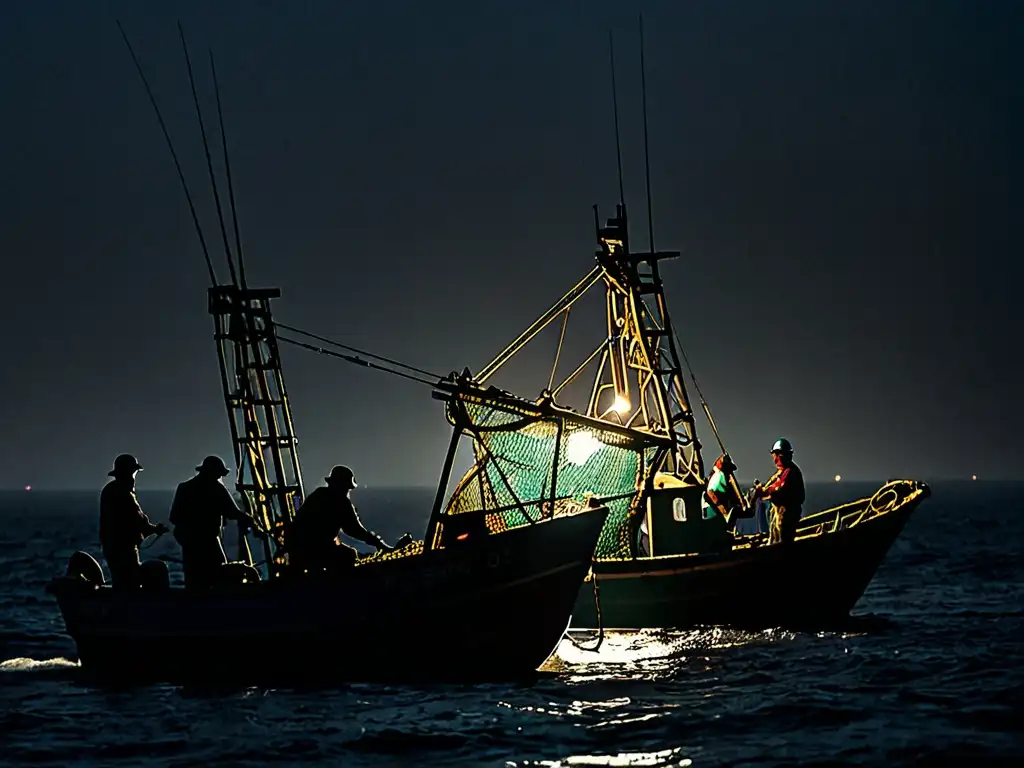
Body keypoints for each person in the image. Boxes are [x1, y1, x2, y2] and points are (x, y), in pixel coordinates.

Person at [169, 455, 255, 589]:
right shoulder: (217, 489)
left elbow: (174, 517)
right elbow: (232, 512)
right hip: (209, 542)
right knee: (218, 574)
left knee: (193, 578)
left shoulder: (184, 488)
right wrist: (248, 518)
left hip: (190, 544)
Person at [285, 465, 392, 573]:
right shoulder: (340, 502)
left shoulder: (318, 495)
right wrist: (379, 544)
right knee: (348, 556)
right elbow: (354, 529)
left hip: (297, 550)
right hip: (312, 550)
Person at [99, 454, 168, 589]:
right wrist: (154, 529)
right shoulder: (123, 493)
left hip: (114, 547)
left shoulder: (111, 490)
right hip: (123, 548)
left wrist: (151, 529)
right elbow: (134, 520)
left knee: (123, 582)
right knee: (130, 582)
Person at [751, 438, 805, 545]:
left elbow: (779, 489)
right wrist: (762, 491)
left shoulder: (790, 472)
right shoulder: (782, 471)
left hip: (787, 514)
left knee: (784, 540)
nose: (774, 460)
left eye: (776, 456)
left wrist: (764, 492)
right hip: (780, 513)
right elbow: (772, 486)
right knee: (775, 535)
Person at [702, 453, 742, 522]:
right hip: (712, 511)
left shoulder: (725, 477)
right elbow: (710, 492)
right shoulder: (719, 475)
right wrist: (721, 508)